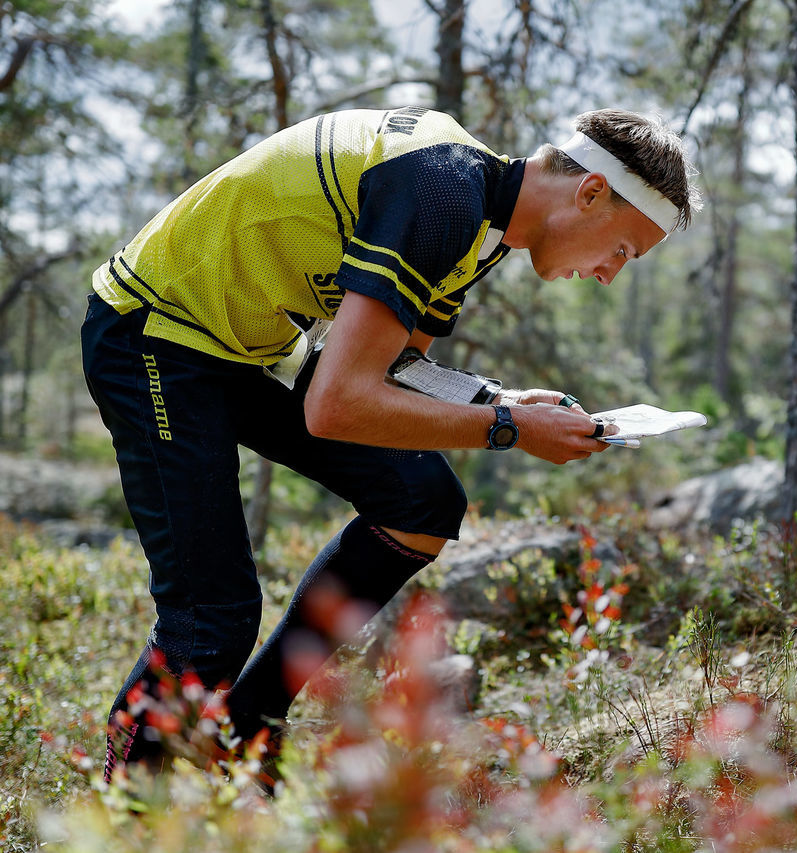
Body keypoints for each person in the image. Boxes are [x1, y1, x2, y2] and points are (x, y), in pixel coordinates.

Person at [80, 105, 701, 783]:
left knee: (420, 498)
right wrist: (509, 429)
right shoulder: (442, 194)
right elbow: (337, 404)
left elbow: (400, 366)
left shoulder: (482, 220)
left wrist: (501, 401)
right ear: (589, 193)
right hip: (152, 332)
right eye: (622, 249)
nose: (611, 272)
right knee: (212, 617)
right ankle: (121, 815)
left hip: (241, 346)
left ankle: (245, 725)